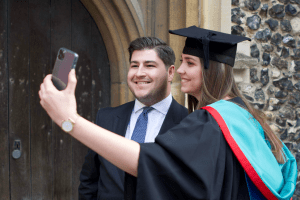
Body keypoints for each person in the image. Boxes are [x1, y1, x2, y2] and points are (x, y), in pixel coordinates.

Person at [39, 26, 297, 200]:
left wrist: (70, 119)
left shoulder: (210, 123)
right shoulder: (244, 116)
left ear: (212, 70)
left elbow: (146, 161)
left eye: (190, 63)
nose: (182, 70)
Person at [77, 37, 188, 199]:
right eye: (134, 65)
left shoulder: (189, 122)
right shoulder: (106, 118)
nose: (139, 73)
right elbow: (89, 182)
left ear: (170, 72)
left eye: (149, 65)